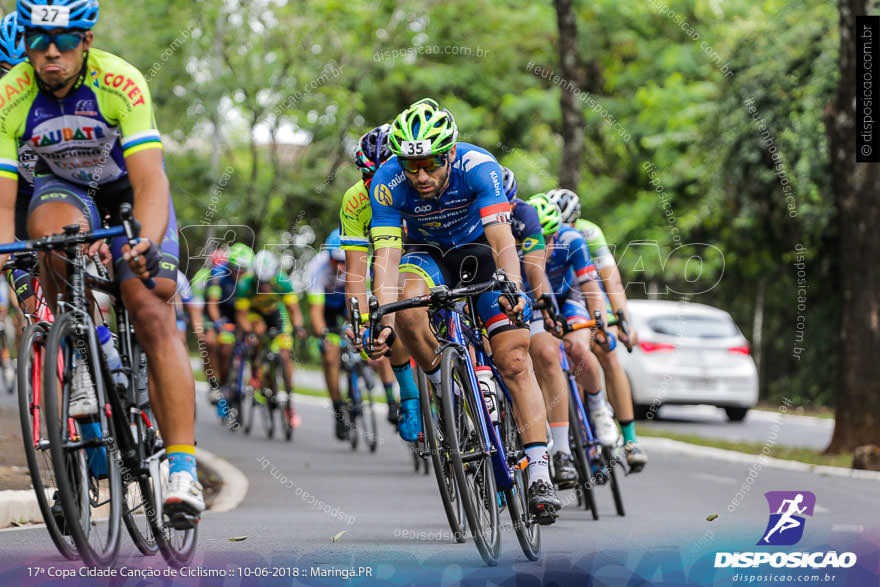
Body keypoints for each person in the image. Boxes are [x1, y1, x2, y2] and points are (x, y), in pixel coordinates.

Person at [0, 0, 201, 521]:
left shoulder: (120, 81)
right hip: (63, 191)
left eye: (64, 41)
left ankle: (182, 469)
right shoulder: (10, 94)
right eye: (38, 42)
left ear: (85, 42)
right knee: (49, 239)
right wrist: (7, 254)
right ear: (24, 43)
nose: (50, 53)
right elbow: (4, 203)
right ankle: (83, 345)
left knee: (151, 306)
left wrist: (146, 242)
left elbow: (151, 179)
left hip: (126, 190)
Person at [368, 98, 560, 524]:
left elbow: (501, 237)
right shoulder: (386, 180)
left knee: (513, 359)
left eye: (431, 164)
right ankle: (445, 388)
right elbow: (386, 257)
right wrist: (380, 319)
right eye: (411, 165)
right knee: (407, 308)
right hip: (426, 254)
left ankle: (540, 471)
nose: (420, 175)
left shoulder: (478, 165)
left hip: (479, 252)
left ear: (450, 153)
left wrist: (512, 285)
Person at [548, 188, 647, 471]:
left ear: (576, 222)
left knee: (607, 350)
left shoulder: (589, 234)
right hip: (557, 293)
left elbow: (611, 281)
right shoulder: (539, 234)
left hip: (589, 292)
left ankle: (630, 440)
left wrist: (621, 321)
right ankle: (572, 427)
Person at [501, 168, 577, 487]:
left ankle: (560, 451)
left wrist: (548, 309)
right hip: (488, 297)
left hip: (525, 297)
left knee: (546, 354)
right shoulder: (470, 219)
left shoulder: (525, 217)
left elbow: (537, 275)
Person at [528, 193, 620, 448]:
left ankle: (599, 406)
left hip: (571, 297)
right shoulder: (521, 247)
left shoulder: (572, 241)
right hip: (539, 301)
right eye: (537, 238)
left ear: (556, 233)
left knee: (578, 347)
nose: (543, 246)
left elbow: (591, 285)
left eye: (548, 239)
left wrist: (599, 318)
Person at [339, 123, 407, 430]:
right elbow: (355, 271)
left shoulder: (419, 185)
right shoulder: (355, 200)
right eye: (368, 177)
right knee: (390, 321)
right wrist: (362, 323)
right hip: (384, 258)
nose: (376, 183)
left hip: (423, 250)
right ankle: (409, 395)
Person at [234, 249, 303, 427]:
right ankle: (256, 371)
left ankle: (288, 397)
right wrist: (249, 332)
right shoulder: (245, 285)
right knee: (257, 330)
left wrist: (298, 327)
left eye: (267, 282)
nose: (264, 286)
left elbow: (294, 311)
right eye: (260, 282)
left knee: (285, 354)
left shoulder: (282, 282)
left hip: (276, 315)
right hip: (255, 316)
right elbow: (241, 316)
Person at [305, 229, 351, 440]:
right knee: (331, 354)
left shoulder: (359, 263)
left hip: (348, 302)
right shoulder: (318, 267)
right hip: (327, 309)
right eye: (336, 261)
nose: (340, 267)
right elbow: (316, 313)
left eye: (344, 261)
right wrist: (324, 334)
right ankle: (338, 407)